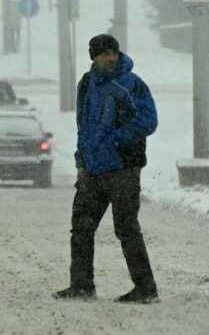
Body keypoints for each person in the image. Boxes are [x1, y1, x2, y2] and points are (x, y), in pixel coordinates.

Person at [55, 34, 159, 303]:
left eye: (113, 53)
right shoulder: (87, 84)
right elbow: (84, 125)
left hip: (123, 167)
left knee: (126, 228)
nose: (110, 58)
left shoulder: (131, 84)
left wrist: (116, 139)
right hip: (92, 169)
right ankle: (81, 285)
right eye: (104, 54)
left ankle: (145, 289)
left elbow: (148, 120)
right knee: (81, 226)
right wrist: (82, 159)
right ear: (94, 57)